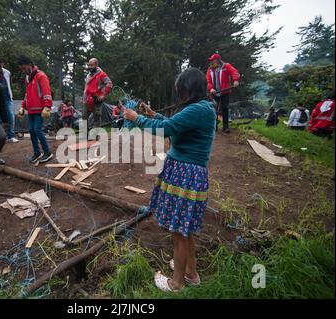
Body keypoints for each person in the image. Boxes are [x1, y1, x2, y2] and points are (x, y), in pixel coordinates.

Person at [125, 68, 216, 292]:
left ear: (188, 89)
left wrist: (137, 118)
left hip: (185, 175)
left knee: (178, 232)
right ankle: (191, 272)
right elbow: (176, 126)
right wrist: (153, 115)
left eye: (181, 90)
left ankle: (177, 284)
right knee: (185, 230)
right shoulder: (201, 109)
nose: (180, 95)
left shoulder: (197, 109)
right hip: (185, 173)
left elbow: (168, 129)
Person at [18, 56, 53, 164]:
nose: (23, 71)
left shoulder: (41, 76)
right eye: (21, 69)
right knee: (32, 131)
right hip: (31, 109)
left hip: (40, 109)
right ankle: (37, 152)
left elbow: (47, 92)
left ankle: (47, 152)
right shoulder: (28, 79)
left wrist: (47, 106)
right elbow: (27, 94)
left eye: (24, 68)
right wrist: (23, 106)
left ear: (30, 65)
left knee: (37, 129)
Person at [206, 53, 240, 133]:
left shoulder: (226, 66)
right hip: (215, 93)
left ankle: (225, 127)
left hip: (225, 91)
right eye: (210, 61)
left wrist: (235, 80)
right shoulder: (209, 70)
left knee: (225, 108)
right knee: (213, 109)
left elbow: (234, 72)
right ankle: (214, 126)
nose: (211, 63)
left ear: (217, 61)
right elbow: (208, 81)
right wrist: (211, 89)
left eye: (212, 61)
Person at [83, 58, 113, 133]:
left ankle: (96, 136)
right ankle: (84, 136)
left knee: (97, 118)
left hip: (97, 99)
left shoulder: (102, 74)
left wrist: (103, 95)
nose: (90, 67)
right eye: (89, 65)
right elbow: (86, 88)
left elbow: (109, 84)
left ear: (96, 65)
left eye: (92, 65)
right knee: (84, 117)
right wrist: (83, 98)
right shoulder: (88, 75)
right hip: (87, 100)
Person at [0, 57, 18, 143]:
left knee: (11, 116)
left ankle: (10, 136)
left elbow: (9, 84)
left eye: (1, 64)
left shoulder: (7, 72)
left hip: (7, 97)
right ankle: (0, 137)